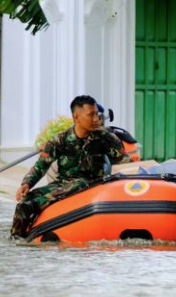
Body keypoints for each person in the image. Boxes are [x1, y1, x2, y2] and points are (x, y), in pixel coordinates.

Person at [11, 95, 129, 238]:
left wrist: (109, 136)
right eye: (91, 115)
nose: (96, 118)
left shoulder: (105, 137)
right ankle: (18, 238)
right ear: (76, 117)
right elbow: (41, 166)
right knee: (25, 202)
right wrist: (26, 184)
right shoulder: (60, 140)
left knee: (79, 183)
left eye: (97, 113)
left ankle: (37, 206)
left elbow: (122, 160)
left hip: (92, 183)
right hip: (63, 185)